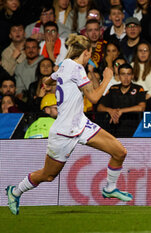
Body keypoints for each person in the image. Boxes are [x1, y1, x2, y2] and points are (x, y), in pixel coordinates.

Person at [6, 34, 133, 216]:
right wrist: (107, 78)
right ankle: (15, 191)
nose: (91, 56)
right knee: (48, 175)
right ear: (86, 52)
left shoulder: (65, 64)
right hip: (64, 132)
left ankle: (110, 188)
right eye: (90, 52)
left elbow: (47, 80)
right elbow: (94, 98)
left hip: (81, 124)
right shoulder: (77, 69)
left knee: (120, 152)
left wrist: (49, 83)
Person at [97, 63, 146, 136]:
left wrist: (121, 111)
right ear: (119, 76)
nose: (126, 77)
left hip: (134, 128)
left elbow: (141, 107)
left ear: (132, 76)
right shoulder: (113, 89)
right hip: (115, 128)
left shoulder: (138, 88)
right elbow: (99, 107)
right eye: (123, 74)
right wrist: (111, 111)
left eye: (128, 74)